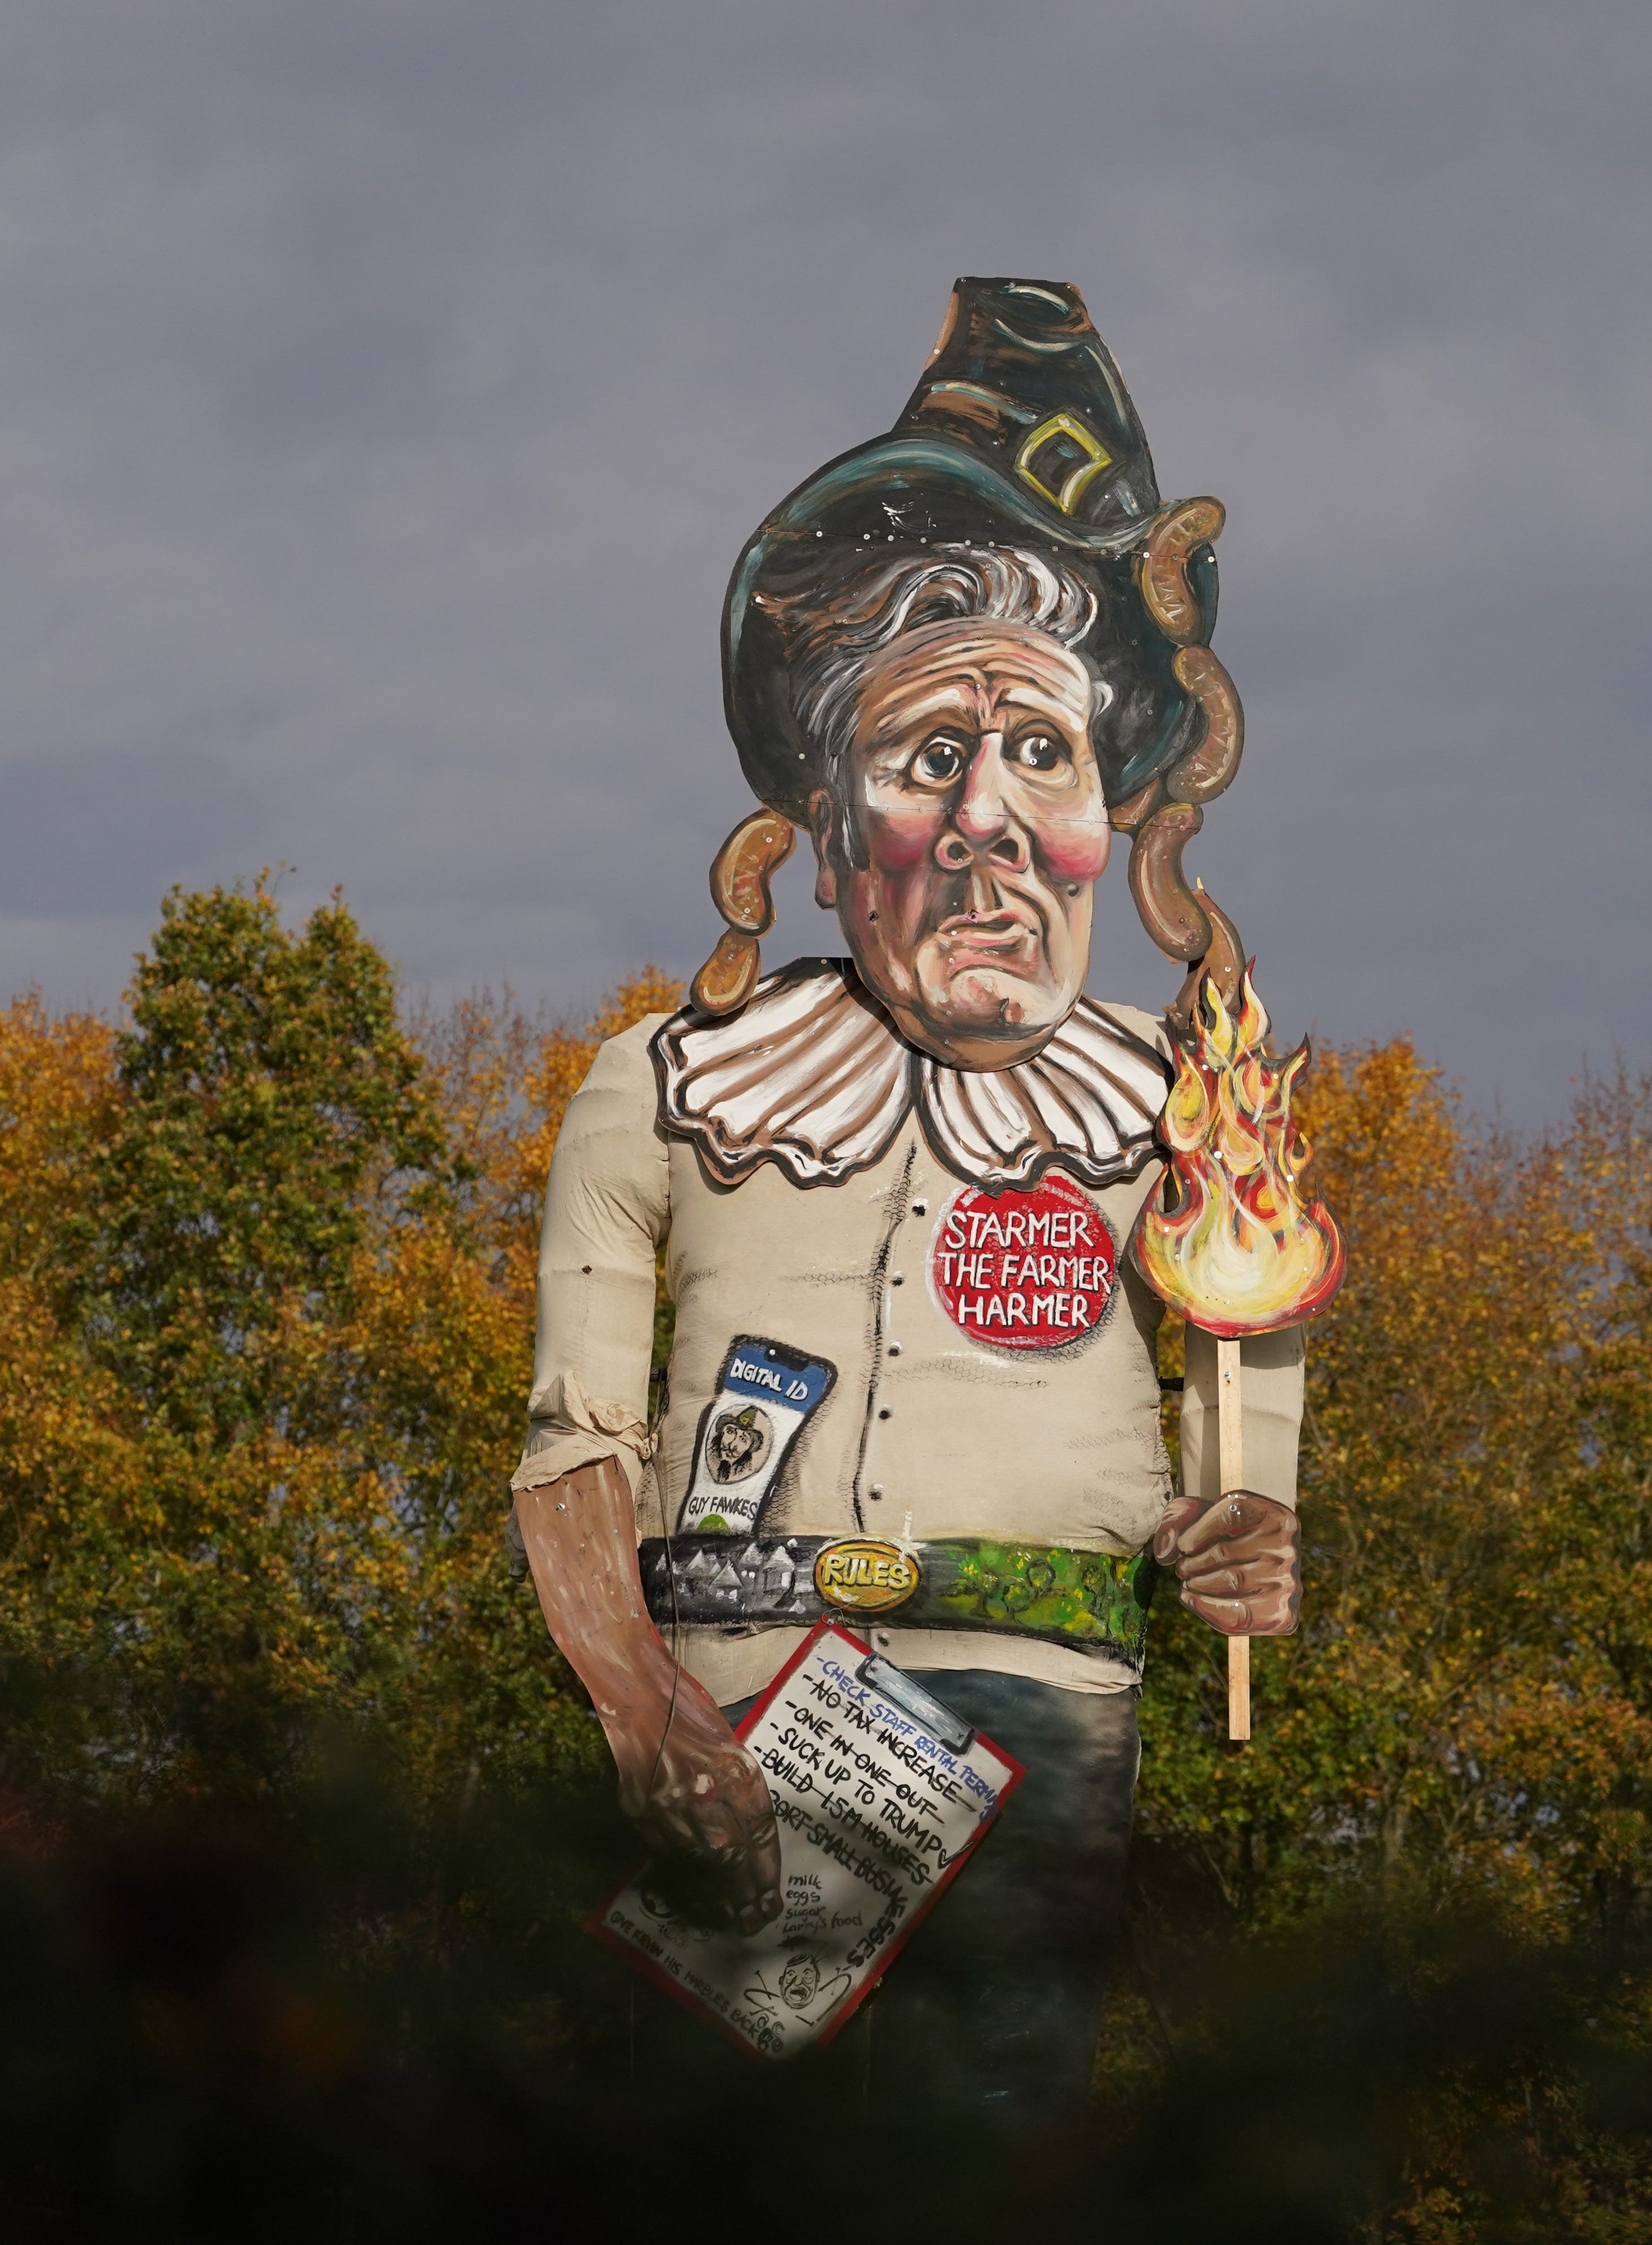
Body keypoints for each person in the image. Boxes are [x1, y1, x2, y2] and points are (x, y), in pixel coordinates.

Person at [511, 277, 1304, 2120]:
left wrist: (1248, 1541)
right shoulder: (663, 1088)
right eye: (930, 755)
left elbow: (1246, 1425)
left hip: (1048, 1731)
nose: (993, 826)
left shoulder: (1194, 1105)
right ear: (820, 793)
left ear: (1119, 809)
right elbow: (575, 1441)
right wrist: (641, 1708)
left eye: (1046, 754)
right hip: (729, 1708)